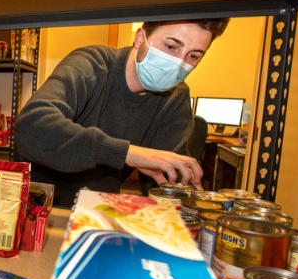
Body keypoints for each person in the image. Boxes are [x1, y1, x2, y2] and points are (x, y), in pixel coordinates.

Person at [15, 18, 229, 208]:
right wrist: (128, 153)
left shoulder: (176, 98)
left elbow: (165, 181)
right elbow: (32, 128)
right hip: (39, 208)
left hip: (99, 211)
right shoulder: (91, 65)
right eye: (171, 46)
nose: (178, 63)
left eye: (193, 56)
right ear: (140, 38)